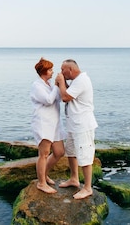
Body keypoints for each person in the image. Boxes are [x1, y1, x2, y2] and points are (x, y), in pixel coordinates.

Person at [55, 59, 98, 200]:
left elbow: (65, 97)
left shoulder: (82, 80)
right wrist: (63, 83)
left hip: (82, 125)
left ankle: (87, 188)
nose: (61, 72)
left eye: (63, 70)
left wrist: (61, 83)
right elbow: (68, 92)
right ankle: (74, 178)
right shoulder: (76, 80)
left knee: (85, 155)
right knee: (71, 152)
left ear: (71, 70)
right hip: (73, 124)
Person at [30, 57, 65, 193]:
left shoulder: (49, 84)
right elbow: (49, 100)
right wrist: (57, 86)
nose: (52, 72)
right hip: (43, 123)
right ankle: (41, 183)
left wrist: (60, 85)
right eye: (50, 70)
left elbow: (59, 98)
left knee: (59, 152)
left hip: (54, 123)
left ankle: (44, 174)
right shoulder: (37, 86)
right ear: (43, 71)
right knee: (44, 153)